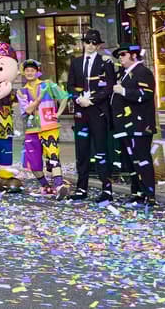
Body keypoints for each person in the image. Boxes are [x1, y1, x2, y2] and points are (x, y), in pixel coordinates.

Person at [68, 29, 115, 203]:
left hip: (98, 111)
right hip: (81, 112)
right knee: (82, 150)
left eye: (94, 43)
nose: (90, 45)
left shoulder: (105, 62)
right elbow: (70, 85)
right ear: (83, 43)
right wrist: (78, 98)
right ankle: (81, 188)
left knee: (101, 150)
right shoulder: (76, 62)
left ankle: (107, 189)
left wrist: (92, 100)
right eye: (87, 42)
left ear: (99, 45)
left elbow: (109, 86)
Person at [16, 59, 70, 198]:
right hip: (31, 129)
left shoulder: (48, 84)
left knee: (53, 156)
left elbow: (64, 97)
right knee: (33, 163)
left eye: (32, 70)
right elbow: (27, 110)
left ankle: (59, 186)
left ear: (37, 72)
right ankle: (46, 186)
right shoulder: (21, 91)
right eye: (27, 71)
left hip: (49, 127)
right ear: (24, 73)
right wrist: (39, 98)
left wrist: (58, 114)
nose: (29, 73)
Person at [111, 43, 158, 207]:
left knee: (142, 159)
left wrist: (123, 91)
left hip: (140, 126)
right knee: (131, 161)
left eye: (123, 54)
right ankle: (137, 193)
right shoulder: (122, 74)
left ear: (133, 55)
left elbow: (146, 94)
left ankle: (149, 195)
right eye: (119, 56)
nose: (120, 58)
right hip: (125, 126)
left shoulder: (143, 72)